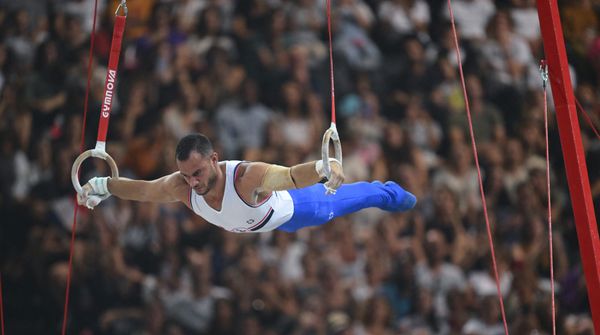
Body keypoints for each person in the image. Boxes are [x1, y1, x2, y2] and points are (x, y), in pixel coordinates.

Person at [77, 133, 416, 233]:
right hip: (264, 226)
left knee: (366, 197)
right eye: (186, 175)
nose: (192, 182)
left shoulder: (246, 177)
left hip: (300, 208)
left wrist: (324, 167)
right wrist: (103, 185)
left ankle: (394, 194)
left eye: (198, 173)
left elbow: (291, 177)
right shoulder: (179, 185)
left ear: (214, 160)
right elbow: (141, 189)